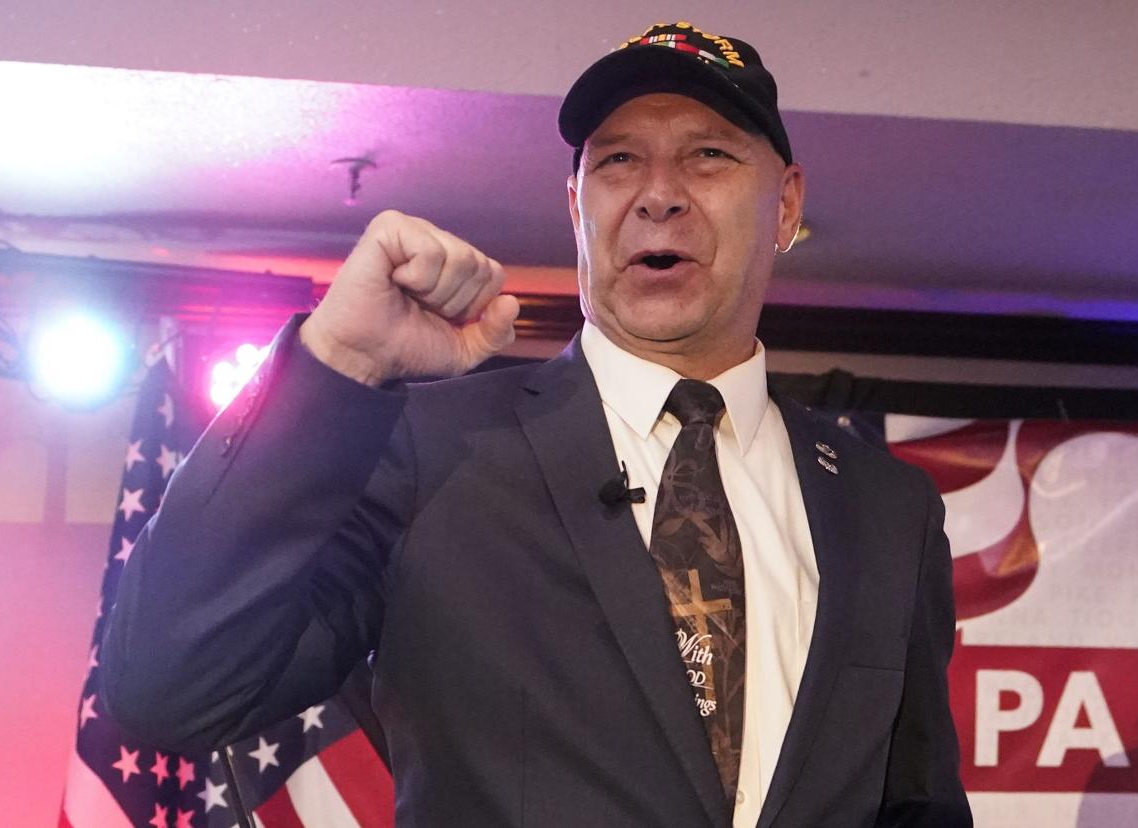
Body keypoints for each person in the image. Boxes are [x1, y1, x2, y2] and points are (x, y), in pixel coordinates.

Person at [102, 21, 971, 827]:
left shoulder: (887, 510)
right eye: (619, 161)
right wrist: (339, 364)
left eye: (708, 156)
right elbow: (168, 691)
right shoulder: (432, 450)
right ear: (575, 206)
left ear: (785, 205)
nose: (658, 196)